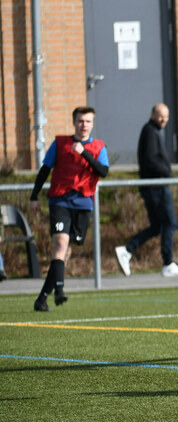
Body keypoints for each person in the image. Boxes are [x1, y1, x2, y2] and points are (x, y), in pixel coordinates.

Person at [29, 106, 110, 311]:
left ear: (92, 124)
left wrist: (84, 154)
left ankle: (42, 299)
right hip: (60, 201)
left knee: (66, 252)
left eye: (88, 121)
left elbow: (103, 171)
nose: (84, 125)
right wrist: (34, 196)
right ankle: (60, 290)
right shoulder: (60, 143)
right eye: (81, 121)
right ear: (74, 122)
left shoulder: (99, 147)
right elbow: (45, 170)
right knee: (60, 243)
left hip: (83, 204)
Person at [114, 104, 178, 278]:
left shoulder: (153, 131)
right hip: (156, 186)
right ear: (152, 115)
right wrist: (166, 172)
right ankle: (168, 263)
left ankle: (127, 250)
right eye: (160, 116)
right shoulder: (150, 131)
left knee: (157, 226)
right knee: (170, 223)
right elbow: (150, 160)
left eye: (167, 116)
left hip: (155, 185)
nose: (164, 119)